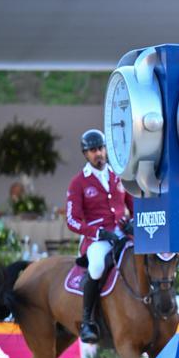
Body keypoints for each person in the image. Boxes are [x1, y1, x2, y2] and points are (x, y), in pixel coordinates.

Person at [65, 128, 134, 343]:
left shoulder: (119, 175)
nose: (99, 154)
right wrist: (98, 232)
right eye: (93, 150)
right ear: (86, 154)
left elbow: (135, 206)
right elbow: (72, 220)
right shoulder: (78, 183)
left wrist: (133, 223)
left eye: (101, 148)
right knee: (96, 267)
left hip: (123, 234)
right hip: (98, 239)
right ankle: (87, 321)